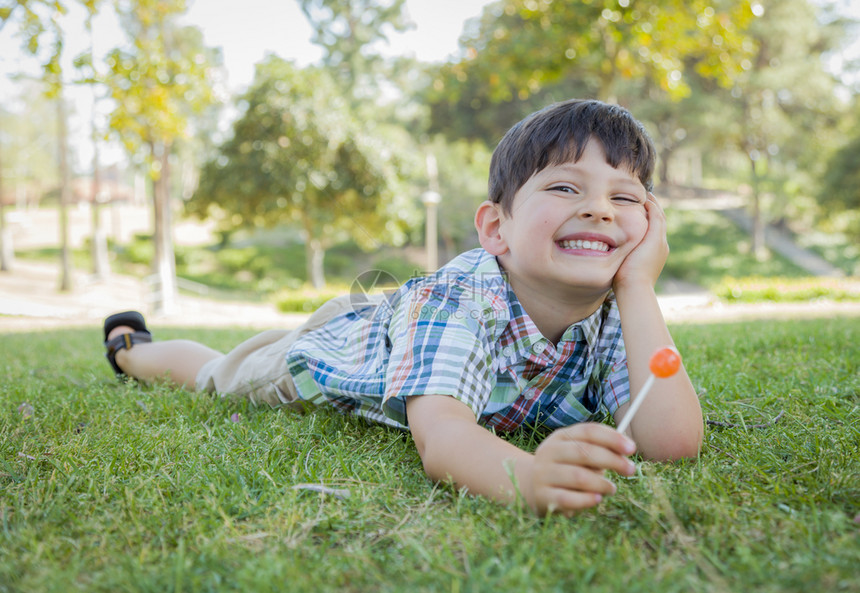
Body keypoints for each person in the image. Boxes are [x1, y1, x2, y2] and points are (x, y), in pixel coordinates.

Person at [102, 99, 703, 517]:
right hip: (335, 352)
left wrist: (637, 286)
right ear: (496, 228)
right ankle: (134, 349)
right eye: (566, 187)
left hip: (391, 326)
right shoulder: (461, 299)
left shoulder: (621, 316)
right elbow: (441, 435)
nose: (599, 209)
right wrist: (528, 476)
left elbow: (672, 441)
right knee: (218, 374)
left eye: (624, 198)